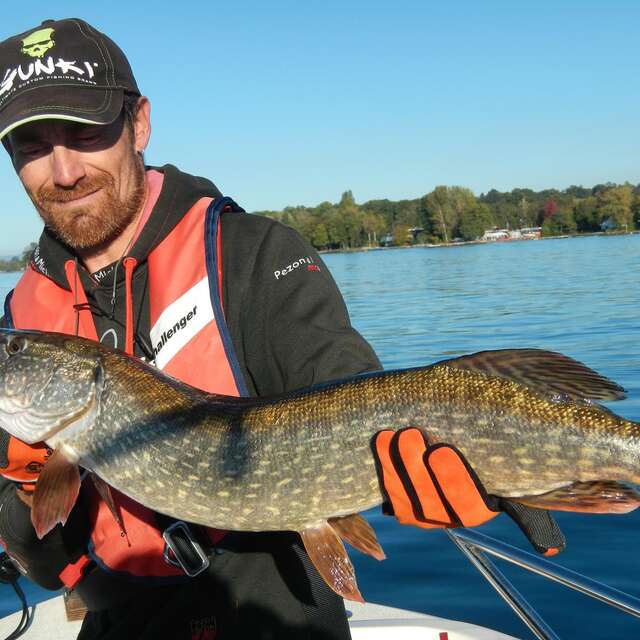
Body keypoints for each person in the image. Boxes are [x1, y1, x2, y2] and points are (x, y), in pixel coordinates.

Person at [0, 18, 564, 640]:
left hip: (274, 616)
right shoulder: (28, 309)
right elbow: (45, 558)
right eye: (31, 147)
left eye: (84, 133)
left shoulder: (254, 256)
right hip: (116, 620)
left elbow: (348, 389)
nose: (64, 171)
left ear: (139, 124)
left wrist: (443, 459)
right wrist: (23, 481)